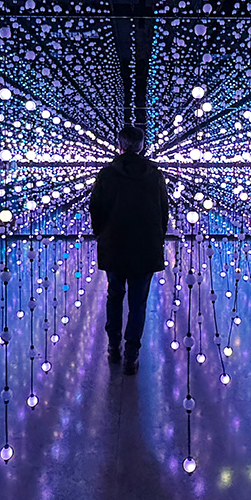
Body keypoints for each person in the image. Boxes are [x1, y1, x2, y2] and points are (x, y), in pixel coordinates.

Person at [88, 125, 168, 375]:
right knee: (138, 302)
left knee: (114, 295)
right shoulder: (154, 175)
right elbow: (163, 210)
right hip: (145, 247)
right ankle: (131, 355)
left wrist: (102, 234)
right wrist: (157, 237)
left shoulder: (107, 174)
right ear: (142, 146)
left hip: (114, 245)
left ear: (120, 145)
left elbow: (95, 208)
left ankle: (114, 347)